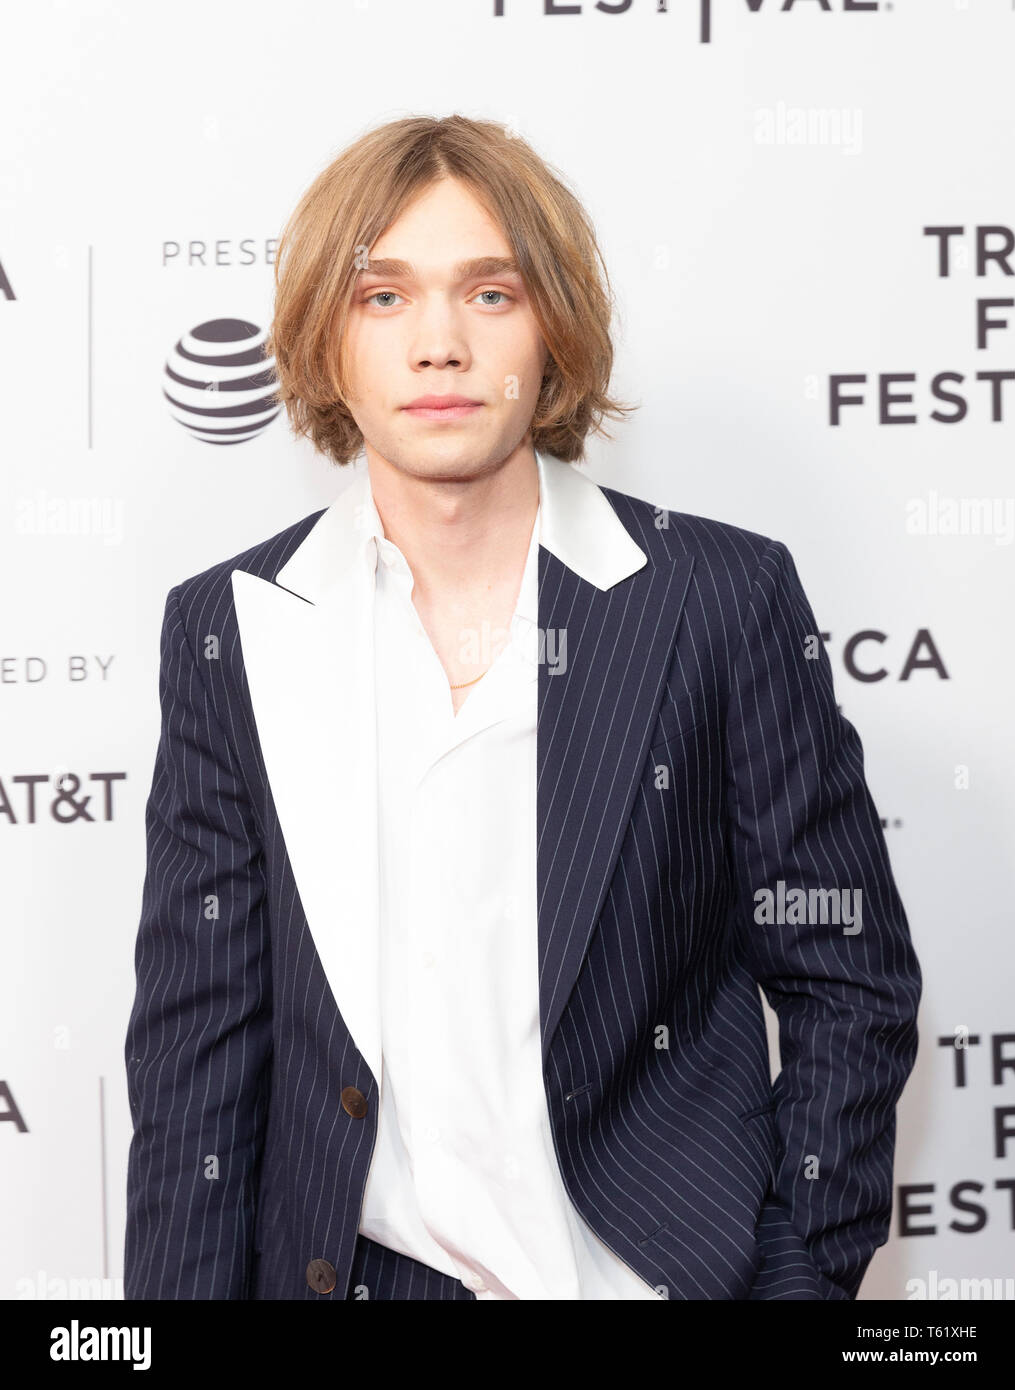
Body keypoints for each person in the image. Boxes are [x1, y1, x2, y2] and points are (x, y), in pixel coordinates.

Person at [124, 114, 922, 1300]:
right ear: (321, 341)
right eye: (381, 296)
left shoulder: (717, 599)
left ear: (553, 329)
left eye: (488, 294)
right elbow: (199, 1051)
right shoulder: (230, 627)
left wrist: (795, 1281)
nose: (438, 345)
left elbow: (846, 977)